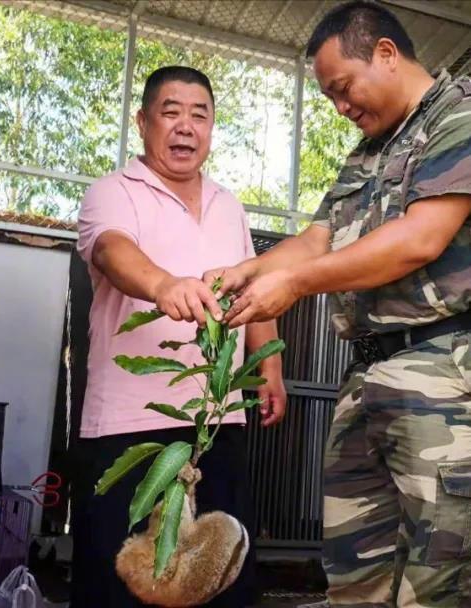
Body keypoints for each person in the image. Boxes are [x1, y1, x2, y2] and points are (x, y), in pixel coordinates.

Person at [208, 2, 471, 606]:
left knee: (440, 574)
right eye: (330, 97)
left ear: (384, 53)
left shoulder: (458, 117)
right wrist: (245, 271)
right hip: (367, 374)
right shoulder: (368, 151)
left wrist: (296, 286)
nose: (341, 107)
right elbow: (318, 237)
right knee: (355, 572)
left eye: (343, 89)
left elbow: (419, 239)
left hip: (441, 375)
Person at [70, 65, 287, 608]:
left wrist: (271, 367)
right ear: (143, 122)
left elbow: (253, 285)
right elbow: (112, 251)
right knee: (123, 582)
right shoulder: (113, 192)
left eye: (199, 115)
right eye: (171, 112)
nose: (185, 127)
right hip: (130, 426)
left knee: (223, 578)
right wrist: (163, 284)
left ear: (212, 128)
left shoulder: (229, 204)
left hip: (216, 422)